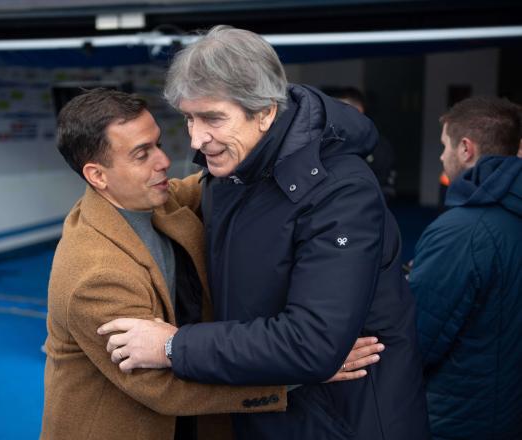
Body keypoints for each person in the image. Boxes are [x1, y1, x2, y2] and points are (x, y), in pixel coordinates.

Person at [98, 26, 429, 440]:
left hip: (343, 420)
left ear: (265, 111)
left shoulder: (341, 191)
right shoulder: (231, 173)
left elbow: (312, 344)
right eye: (189, 118)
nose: (197, 139)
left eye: (213, 118)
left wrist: (173, 346)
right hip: (271, 407)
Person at [41, 88, 383, 440]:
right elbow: (163, 386)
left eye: (157, 143)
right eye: (142, 154)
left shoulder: (154, 199)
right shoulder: (95, 275)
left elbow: (221, 179)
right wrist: (299, 371)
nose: (163, 161)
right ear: (98, 176)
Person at [408, 96, 522, 439]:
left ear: (466, 149)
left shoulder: (462, 231)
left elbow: (418, 340)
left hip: (461, 418)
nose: (442, 155)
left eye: (445, 145)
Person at [325, 86, 397, 201]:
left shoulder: (379, 146)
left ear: (358, 111)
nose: (334, 117)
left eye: (340, 111)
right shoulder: (328, 142)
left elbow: (385, 189)